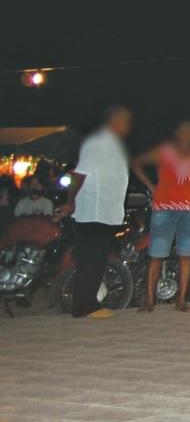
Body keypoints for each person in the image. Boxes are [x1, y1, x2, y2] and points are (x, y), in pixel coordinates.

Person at [131, 120, 190, 313]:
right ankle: (149, 300)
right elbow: (136, 163)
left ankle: (181, 301)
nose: (186, 135)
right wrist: (151, 186)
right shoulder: (165, 151)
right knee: (156, 254)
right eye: (183, 132)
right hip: (164, 207)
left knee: (187, 255)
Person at [63, 107, 132, 319]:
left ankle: (89, 303)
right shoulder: (96, 144)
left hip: (105, 213)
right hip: (92, 213)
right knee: (90, 260)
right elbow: (79, 175)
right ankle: (83, 306)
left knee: (97, 260)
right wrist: (70, 202)